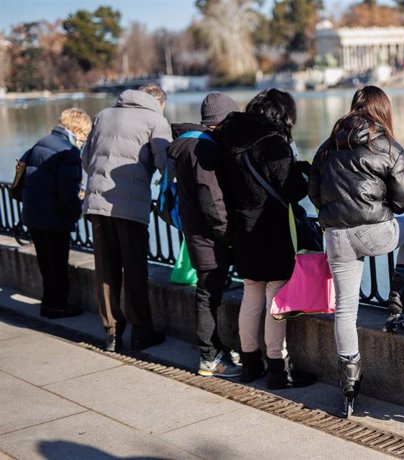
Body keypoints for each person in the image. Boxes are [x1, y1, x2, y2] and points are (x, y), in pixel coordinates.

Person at [308, 85, 404, 416]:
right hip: (376, 233)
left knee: (346, 309)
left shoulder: (326, 148)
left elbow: (314, 193)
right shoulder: (386, 145)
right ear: (383, 110)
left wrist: (335, 212)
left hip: (337, 236)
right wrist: (379, 205)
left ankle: (349, 380)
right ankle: (401, 293)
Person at [216, 88, 316, 389]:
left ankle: (249, 363)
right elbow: (293, 190)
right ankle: (277, 368)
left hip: (243, 229)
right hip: (271, 230)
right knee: (276, 298)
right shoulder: (274, 145)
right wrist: (301, 168)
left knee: (251, 294)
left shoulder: (230, 141)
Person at [82, 84, 172, 352]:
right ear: (160, 102)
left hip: (97, 203)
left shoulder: (103, 115)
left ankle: (111, 333)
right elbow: (164, 165)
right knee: (134, 269)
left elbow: (86, 159)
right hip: (131, 207)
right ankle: (141, 332)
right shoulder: (156, 120)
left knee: (106, 269)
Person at [167, 92, 241, 378]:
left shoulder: (188, 145)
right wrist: (227, 234)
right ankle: (209, 357)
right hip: (208, 237)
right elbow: (212, 199)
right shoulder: (204, 151)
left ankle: (214, 348)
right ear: (222, 121)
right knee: (208, 294)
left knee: (208, 292)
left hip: (195, 231)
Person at [20, 108, 92, 319]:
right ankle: (58, 306)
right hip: (54, 216)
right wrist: (77, 210)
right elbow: (67, 191)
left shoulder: (41, 143)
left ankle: (48, 304)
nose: (85, 139)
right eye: (86, 134)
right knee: (58, 265)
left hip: (34, 214)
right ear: (77, 129)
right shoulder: (68, 152)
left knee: (46, 264)